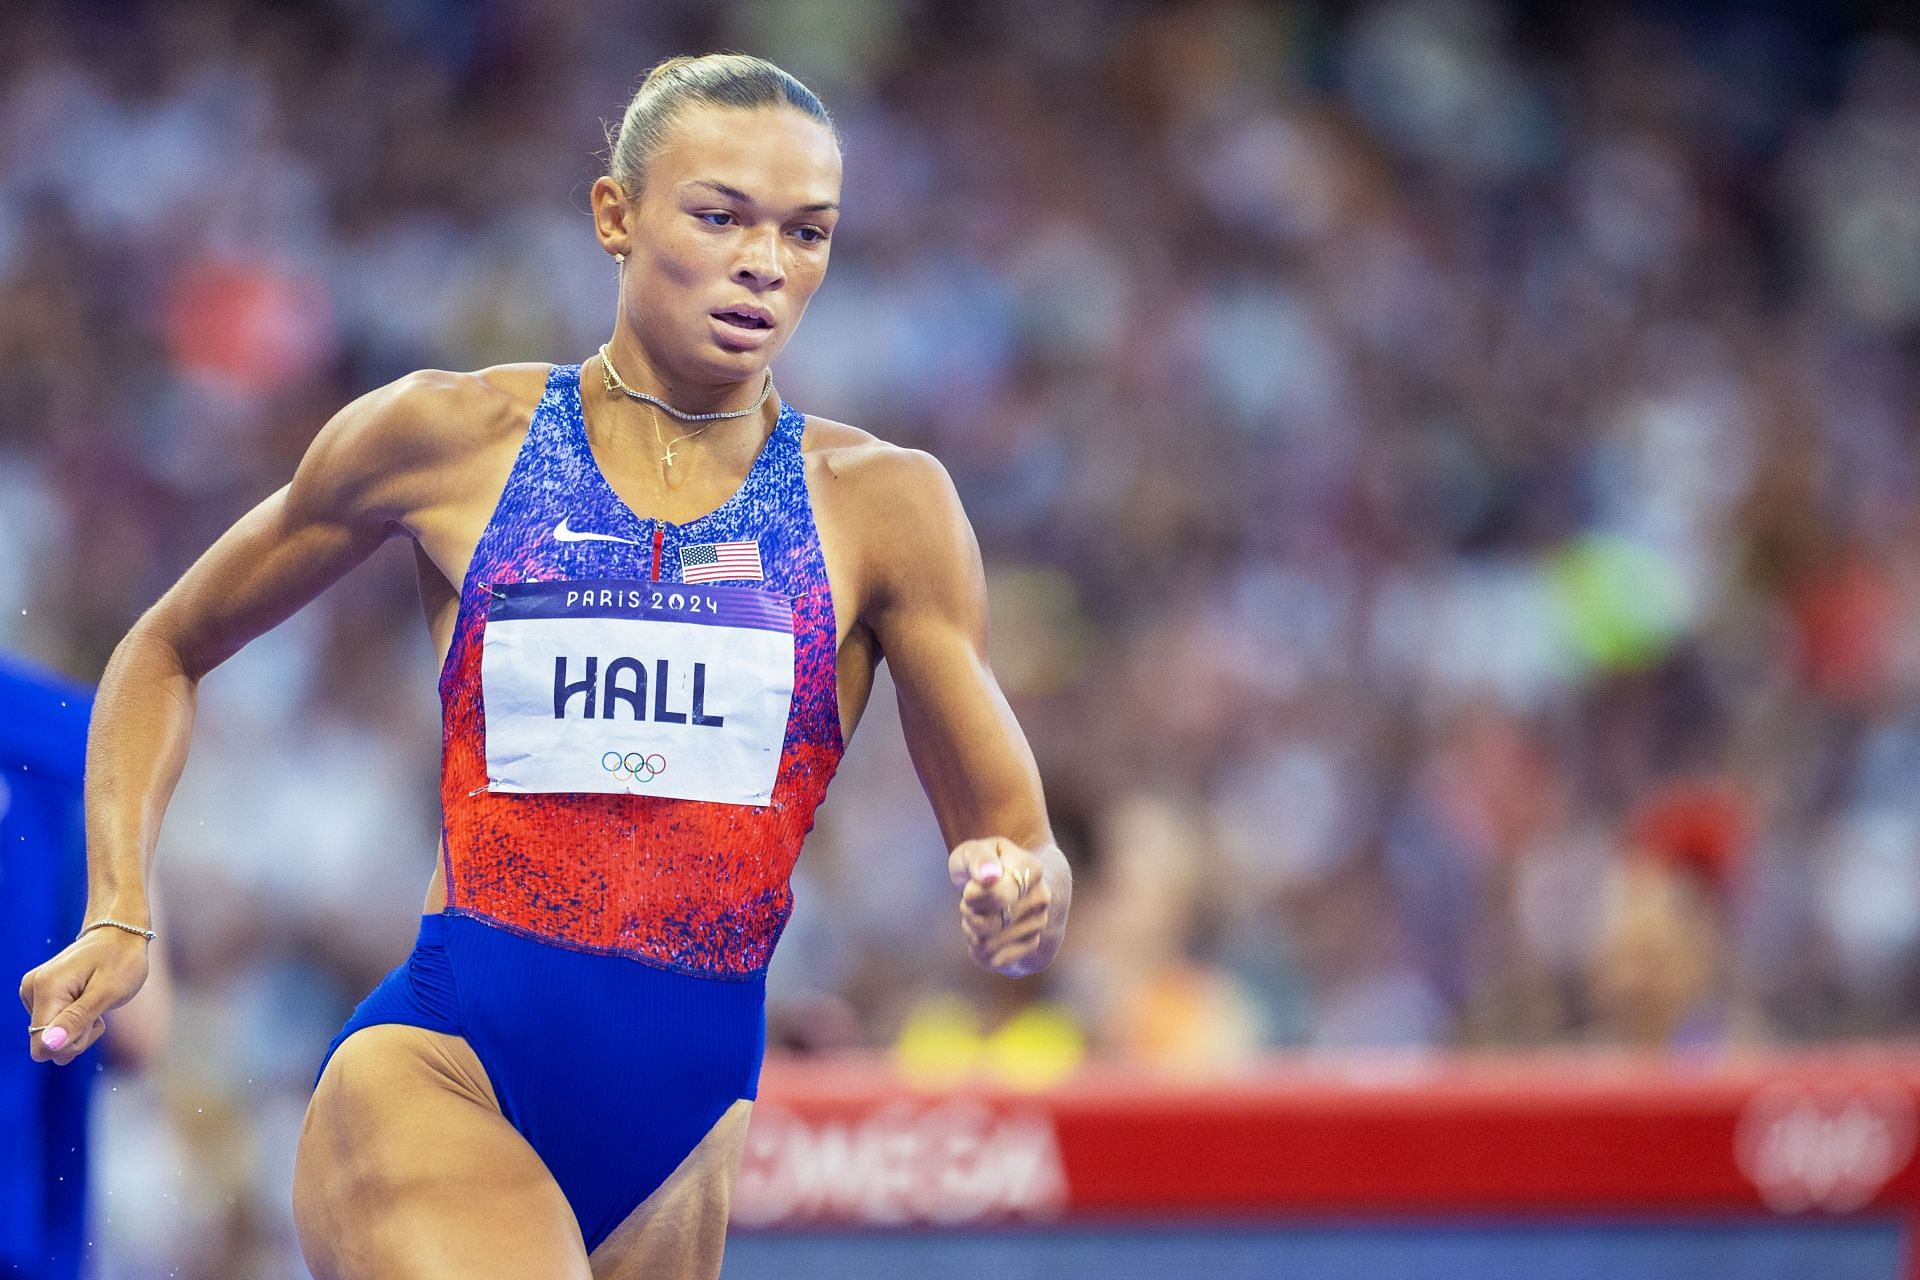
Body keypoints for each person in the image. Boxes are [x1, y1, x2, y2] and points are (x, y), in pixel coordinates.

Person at [16, 52, 1072, 1280]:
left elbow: (1017, 845)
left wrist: (1020, 896)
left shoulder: (885, 507)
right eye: (721, 216)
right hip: (443, 1068)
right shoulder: (449, 438)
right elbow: (167, 644)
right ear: (614, 217)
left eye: (807, 232)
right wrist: (118, 907)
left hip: (685, 1133)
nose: (765, 265)